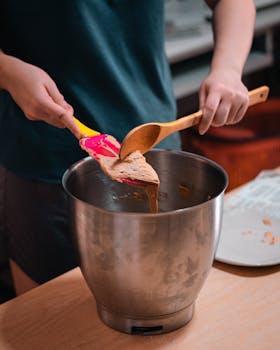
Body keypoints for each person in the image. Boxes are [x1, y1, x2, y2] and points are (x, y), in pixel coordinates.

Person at [0, 0, 256, 295]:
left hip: (157, 149)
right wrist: (7, 72)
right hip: (42, 170)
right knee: (46, 325)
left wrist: (228, 69)